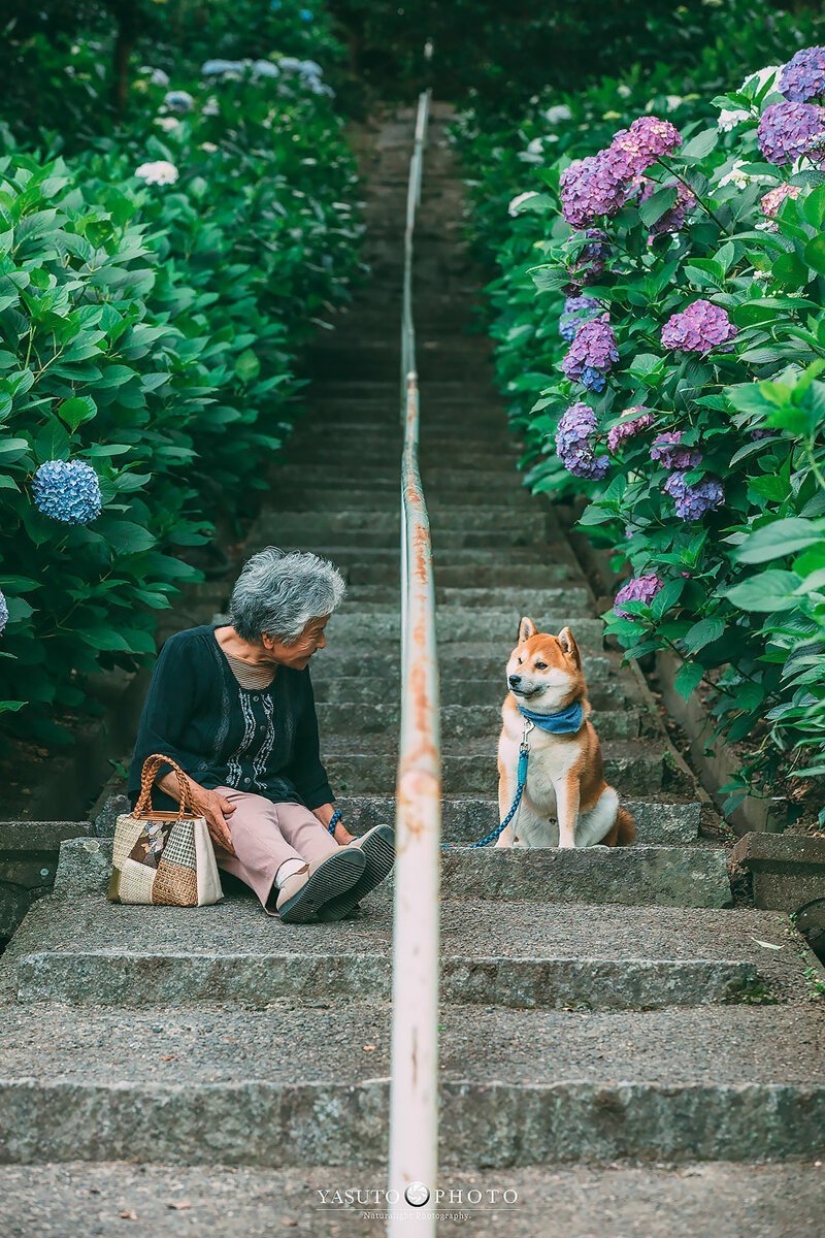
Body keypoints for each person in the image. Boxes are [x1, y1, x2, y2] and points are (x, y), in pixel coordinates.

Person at [127, 547, 394, 923]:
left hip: (272, 793)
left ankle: (332, 870)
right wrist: (201, 797)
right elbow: (149, 753)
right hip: (200, 798)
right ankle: (291, 881)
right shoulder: (187, 652)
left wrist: (341, 833)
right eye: (315, 633)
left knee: (296, 818)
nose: (322, 644)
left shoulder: (293, 669)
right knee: (250, 813)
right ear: (270, 637)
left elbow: (305, 766)